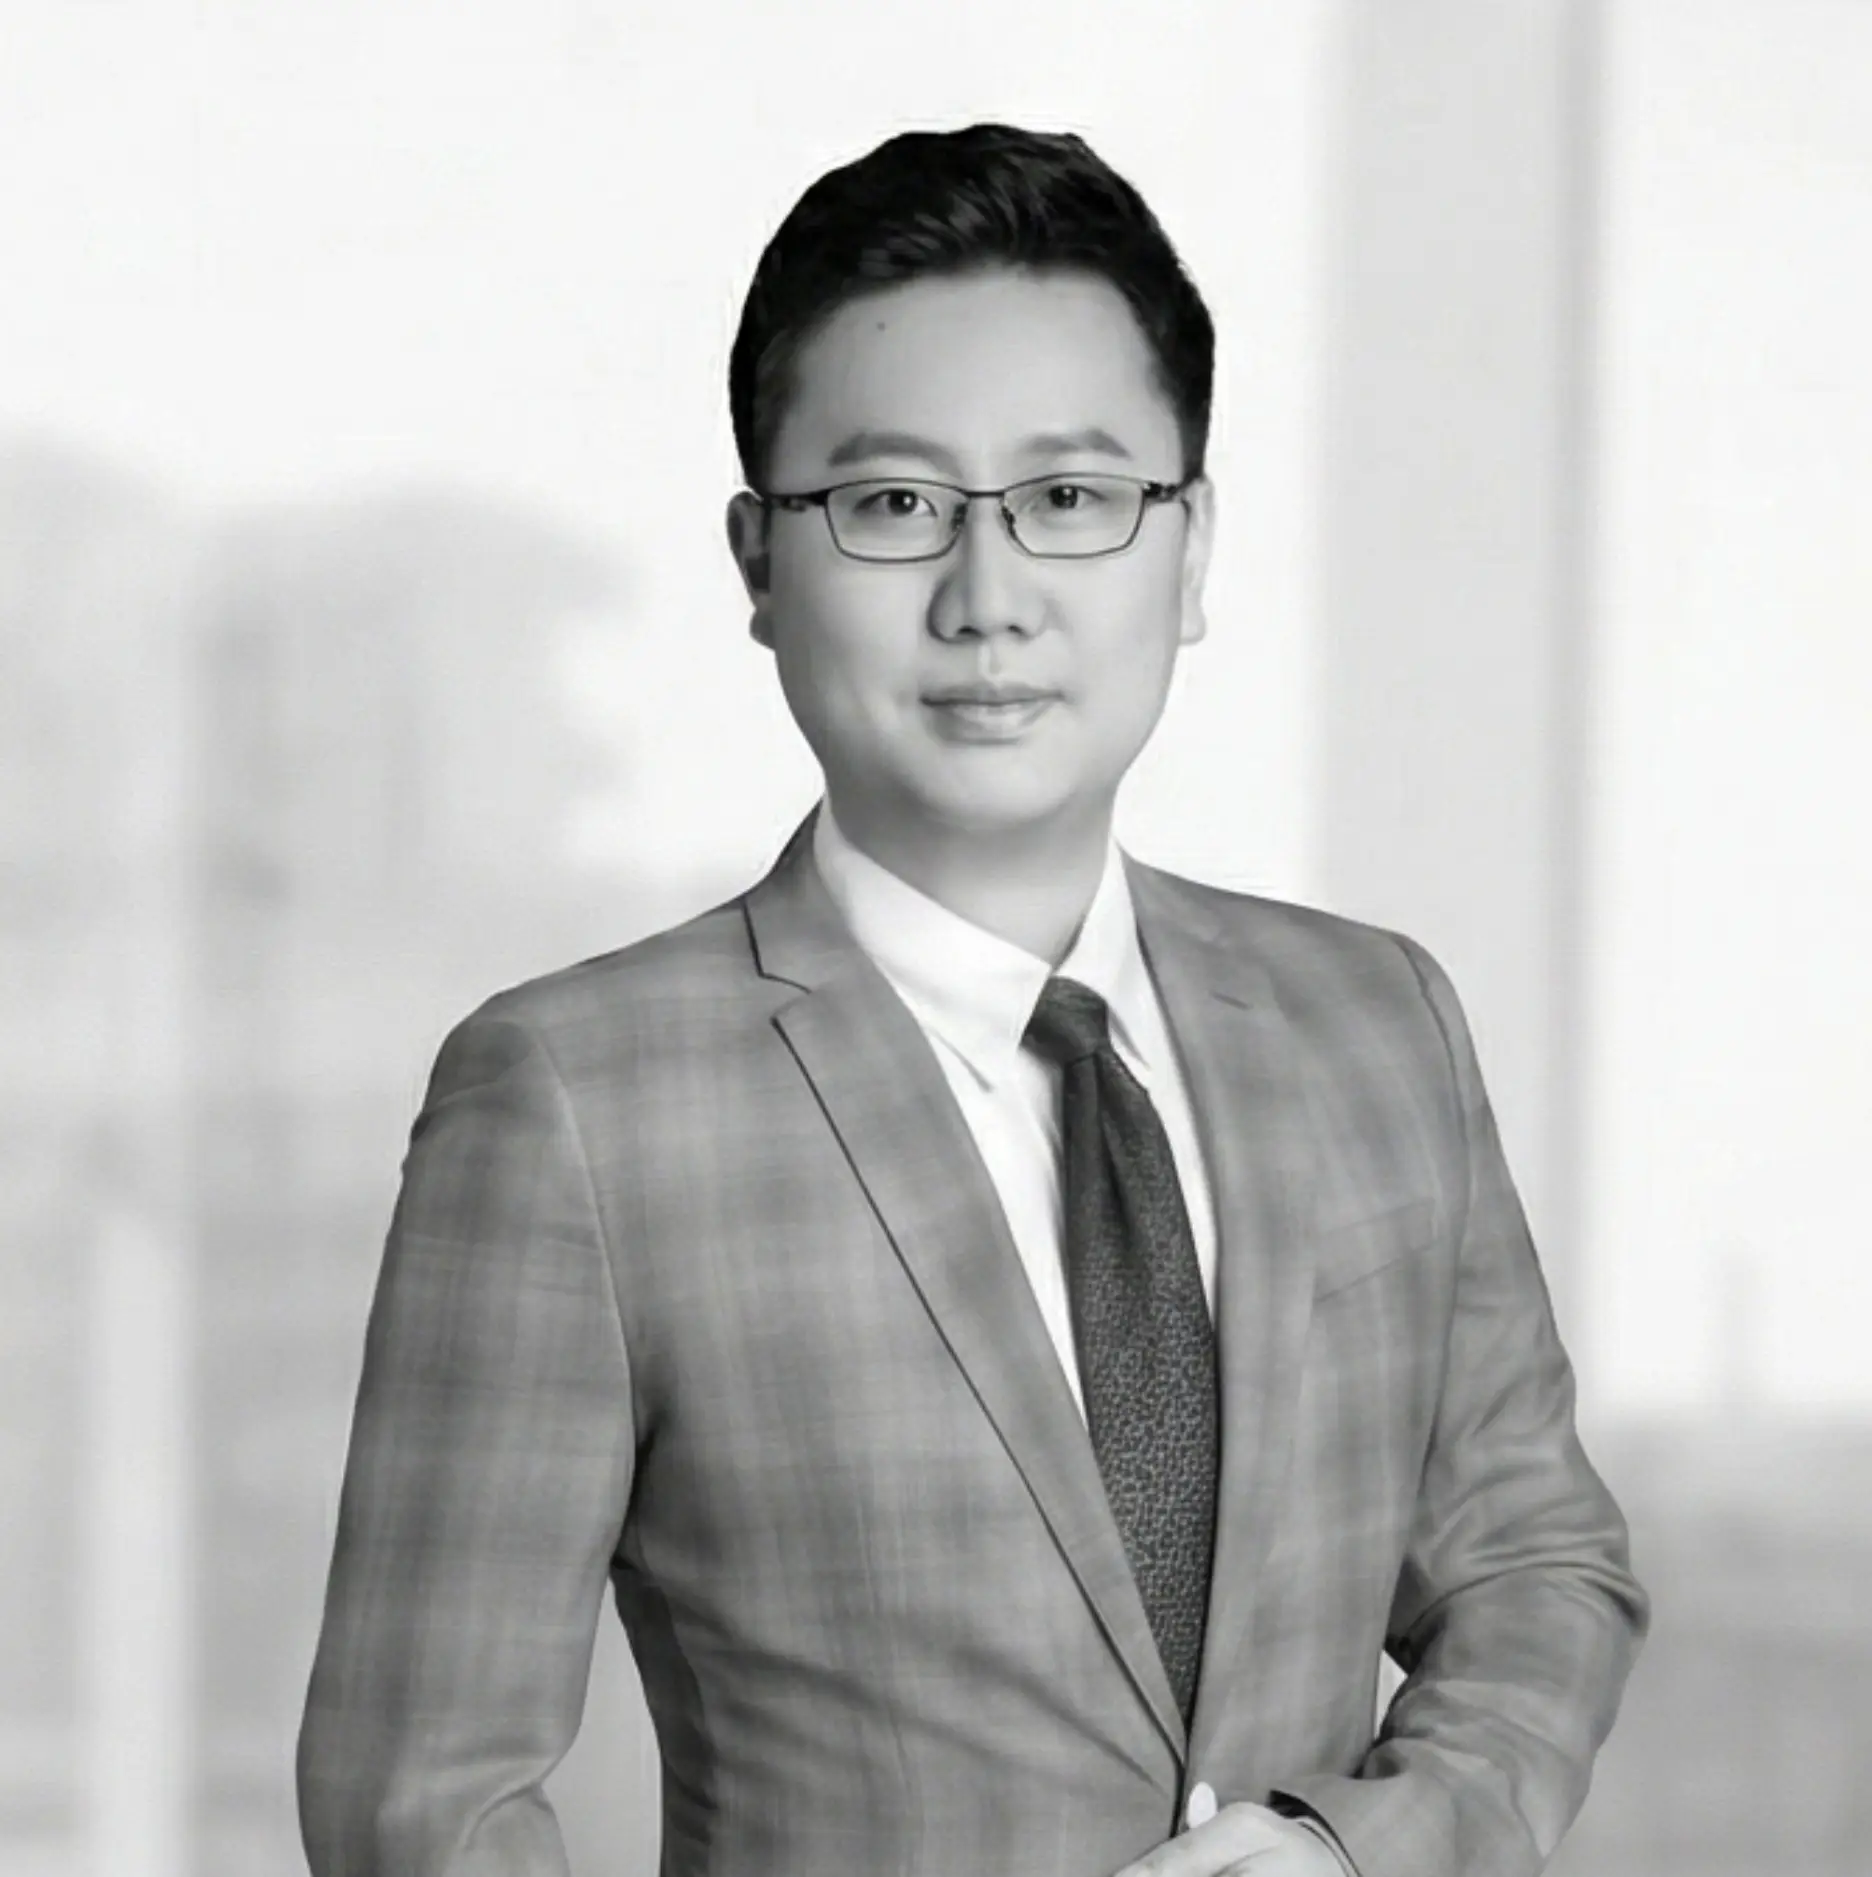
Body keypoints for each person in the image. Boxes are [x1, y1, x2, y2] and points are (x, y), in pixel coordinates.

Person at [297, 123, 1647, 1877]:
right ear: (759, 564)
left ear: (1191, 548)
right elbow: (425, 1806)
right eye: (893, 507)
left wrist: (1365, 1846)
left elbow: (1536, 1566)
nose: (989, 601)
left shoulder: (1375, 1023)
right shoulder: (576, 1102)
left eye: (1072, 501)